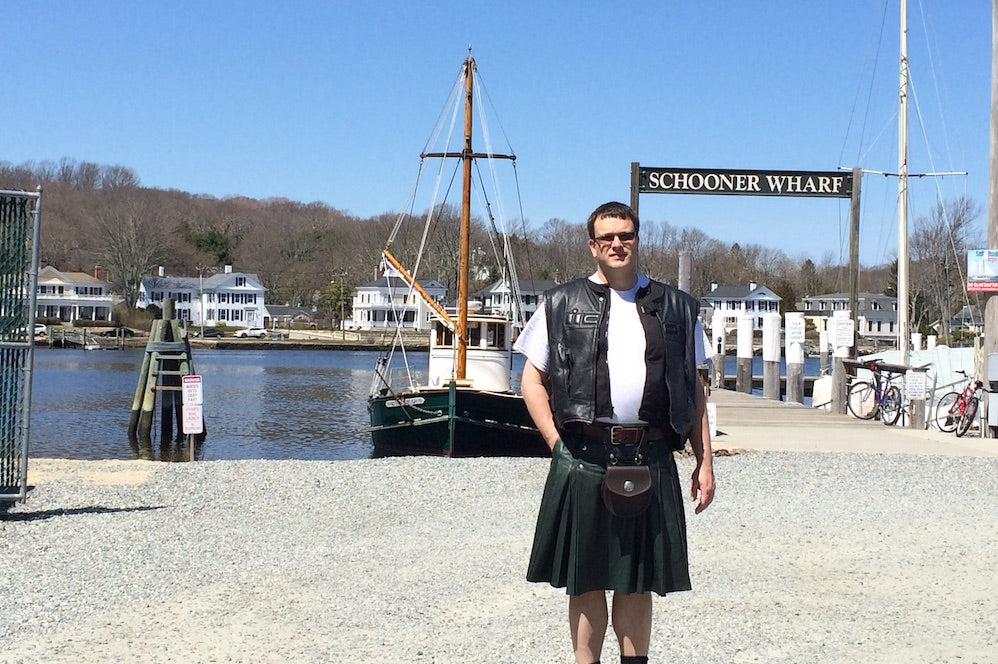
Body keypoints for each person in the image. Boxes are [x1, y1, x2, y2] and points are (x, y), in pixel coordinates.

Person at [514, 201, 715, 664]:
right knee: (584, 579)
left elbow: (694, 389)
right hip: (583, 455)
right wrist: (554, 442)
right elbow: (532, 379)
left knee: (636, 578)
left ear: (637, 240)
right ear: (593, 247)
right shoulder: (560, 303)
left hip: (652, 454)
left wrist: (704, 462)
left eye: (625, 236)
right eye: (607, 238)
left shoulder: (679, 308)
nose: (617, 245)